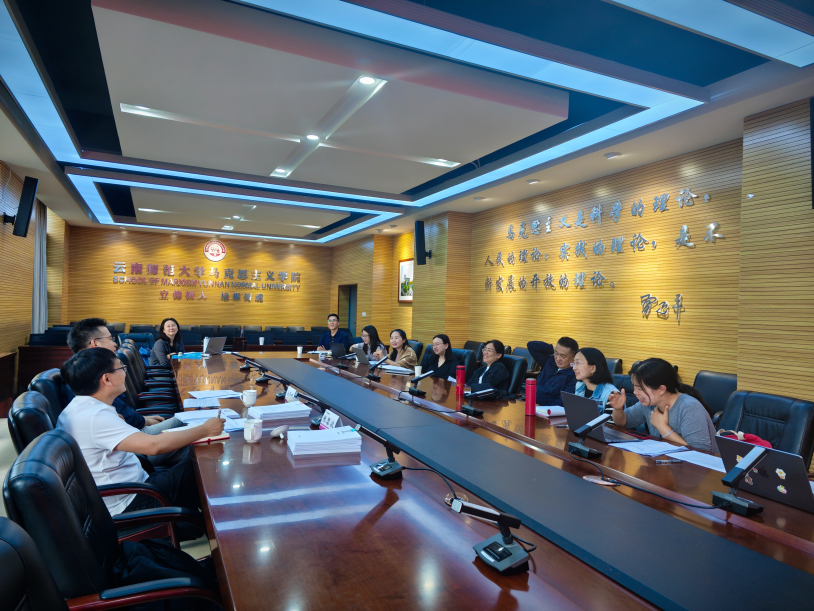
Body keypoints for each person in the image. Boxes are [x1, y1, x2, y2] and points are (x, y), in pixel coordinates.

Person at [58, 348, 225, 516]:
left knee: (195, 459)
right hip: (131, 500)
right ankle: (215, 524)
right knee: (203, 460)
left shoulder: (79, 408)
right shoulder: (95, 416)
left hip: (129, 488)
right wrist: (205, 429)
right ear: (107, 379)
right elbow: (154, 446)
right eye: (121, 368)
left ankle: (198, 519)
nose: (125, 372)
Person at [67, 318, 180, 435]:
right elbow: (124, 419)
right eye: (110, 339)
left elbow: (122, 412)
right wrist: (144, 421)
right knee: (183, 421)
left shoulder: (82, 370)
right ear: (95, 343)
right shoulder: (93, 375)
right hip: (131, 433)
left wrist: (143, 419)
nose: (115, 344)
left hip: (130, 427)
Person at [607, 358, 717, 453]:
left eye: (639, 388)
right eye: (634, 387)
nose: (635, 392)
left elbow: (700, 453)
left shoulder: (689, 408)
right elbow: (623, 422)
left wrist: (663, 428)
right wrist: (618, 409)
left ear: (661, 389)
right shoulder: (648, 404)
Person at [527, 337, 579, 406]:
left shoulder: (574, 375)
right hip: (533, 404)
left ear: (574, 357)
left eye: (563, 356)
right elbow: (531, 345)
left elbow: (562, 402)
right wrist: (552, 349)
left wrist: (544, 409)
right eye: (556, 353)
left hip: (549, 410)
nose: (558, 358)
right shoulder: (549, 361)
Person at [571, 347, 619, 413]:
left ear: (593, 368)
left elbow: (611, 420)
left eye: (578, 363)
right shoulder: (579, 385)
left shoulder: (610, 394)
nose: (574, 368)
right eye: (574, 363)